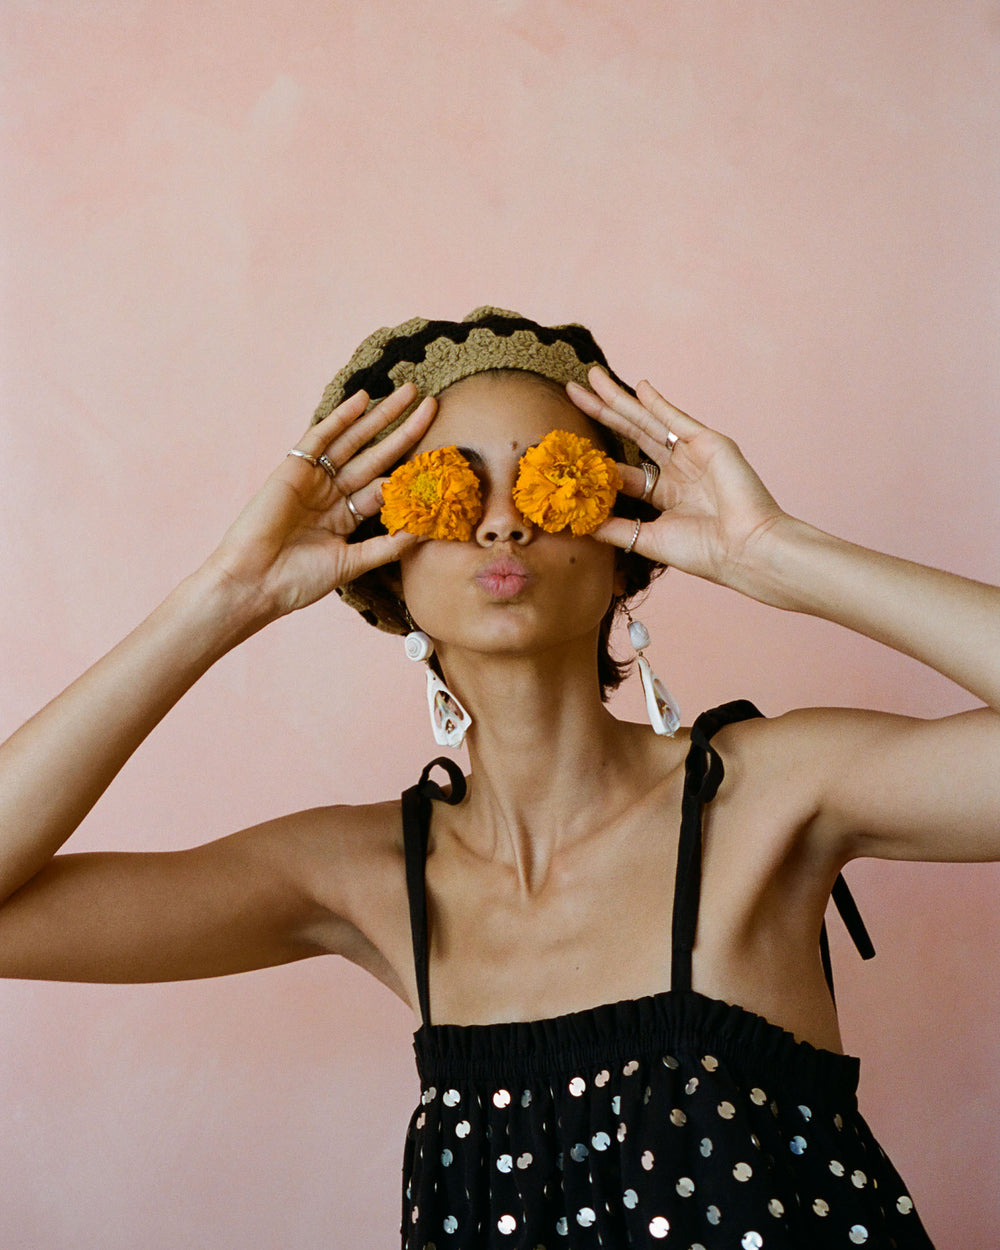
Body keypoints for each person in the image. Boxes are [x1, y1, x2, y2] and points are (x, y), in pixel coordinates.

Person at [1, 306, 996, 1248]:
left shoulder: (771, 794)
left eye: (546, 479)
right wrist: (218, 599)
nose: (502, 524)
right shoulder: (361, 875)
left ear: (622, 538)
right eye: (448, 484)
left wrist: (779, 553)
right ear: (379, 556)